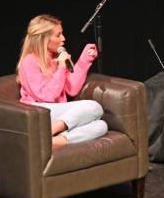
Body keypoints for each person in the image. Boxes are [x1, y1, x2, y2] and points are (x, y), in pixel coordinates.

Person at [16, 14, 107, 150]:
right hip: (39, 112)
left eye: (62, 34)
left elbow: (72, 89)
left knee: (101, 126)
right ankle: (46, 133)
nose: (63, 39)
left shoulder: (57, 58)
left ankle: (50, 143)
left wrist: (84, 60)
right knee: (94, 107)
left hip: (57, 113)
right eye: (58, 35)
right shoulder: (29, 62)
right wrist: (61, 67)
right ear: (44, 39)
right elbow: (47, 96)